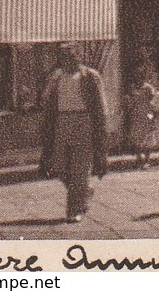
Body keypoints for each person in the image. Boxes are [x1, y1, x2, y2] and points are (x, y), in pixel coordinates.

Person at [38, 42, 108, 224]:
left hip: (84, 121)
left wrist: (100, 129)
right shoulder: (57, 77)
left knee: (80, 167)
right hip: (62, 122)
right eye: (63, 56)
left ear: (78, 56)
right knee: (59, 166)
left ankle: (75, 209)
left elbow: (101, 106)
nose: (67, 59)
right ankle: (84, 191)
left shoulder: (90, 76)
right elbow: (46, 101)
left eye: (70, 55)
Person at [123, 64, 158, 169]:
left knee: (147, 139)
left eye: (140, 75)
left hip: (146, 115)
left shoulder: (148, 88)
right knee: (136, 138)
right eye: (136, 75)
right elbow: (129, 101)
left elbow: (154, 102)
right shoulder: (132, 88)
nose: (138, 77)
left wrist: (153, 115)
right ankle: (139, 159)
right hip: (136, 116)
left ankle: (147, 160)